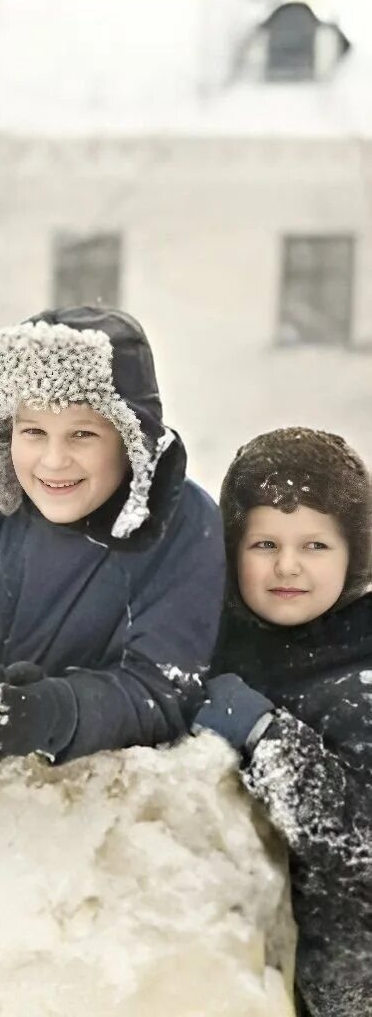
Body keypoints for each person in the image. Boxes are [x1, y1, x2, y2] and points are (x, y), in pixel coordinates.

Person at [0, 306, 223, 764]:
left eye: (82, 434)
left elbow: (164, 686)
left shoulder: (183, 527)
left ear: (130, 439)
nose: (53, 461)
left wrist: (61, 711)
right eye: (33, 431)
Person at [194, 427, 372, 1017]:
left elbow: (358, 845)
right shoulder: (208, 648)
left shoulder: (364, 677)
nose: (288, 566)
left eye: (316, 546)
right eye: (264, 544)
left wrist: (268, 737)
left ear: (355, 555)